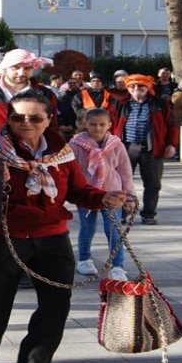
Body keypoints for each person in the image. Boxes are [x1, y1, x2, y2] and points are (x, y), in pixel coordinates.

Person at [0, 89, 125, 363]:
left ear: (48, 120)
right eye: (18, 117)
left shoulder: (62, 151)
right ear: (9, 119)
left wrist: (103, 197)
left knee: (56, 306)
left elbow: (78, 190)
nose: (27, 123)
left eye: (35, 117)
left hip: (51, 237)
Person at [69, 108, 134, 280]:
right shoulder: (74, 145)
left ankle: (118, 265)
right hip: (87, 193)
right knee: (87, 226)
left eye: (102, 124)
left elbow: (125, 171)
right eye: (93, 124)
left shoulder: (116, 145)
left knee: (114, 228)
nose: (97, 128)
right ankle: (84, 259)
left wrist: (129, 196)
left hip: (113, 192)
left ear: (109, 125)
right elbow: (69, 171)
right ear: (85, 124)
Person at [109, 74, 177, 226]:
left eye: (140, 86)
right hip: (125, 147)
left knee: (153, 183)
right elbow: (110, 124)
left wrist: (171, 144)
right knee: (122, 183)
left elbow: (172, 124)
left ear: (148, 87)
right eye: (132, 86)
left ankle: (148, 214)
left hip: (152, 148)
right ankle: (122, 212)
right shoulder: (120, 103)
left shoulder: (160, 104)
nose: (136, 89)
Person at [0, 49, 59, 129]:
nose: (21, 73)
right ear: (5, 68)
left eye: (27, 68)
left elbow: (52, 127)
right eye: (15, 68)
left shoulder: (46, 94)